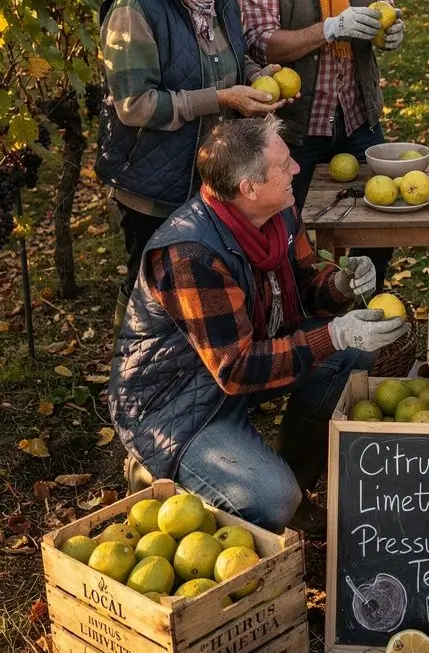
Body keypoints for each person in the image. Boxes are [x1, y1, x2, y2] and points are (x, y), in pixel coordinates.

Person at [109, 117, 406, 535]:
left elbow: (305, 287)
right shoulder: (191, 256)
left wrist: (339, 284)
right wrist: (335, 333)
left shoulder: (278, 214)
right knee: (272, 499)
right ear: (249, 188)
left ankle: (295, 484)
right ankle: (158, 469)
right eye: (284, 165)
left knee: (352, 353)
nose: (297, 168)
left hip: (232, 369)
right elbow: (237, 368)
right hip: (176, 403)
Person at [96, 0, 289, 329]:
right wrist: (220, 98)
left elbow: (229, 59)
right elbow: (134, 105)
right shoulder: (134, 5)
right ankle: (135, 364)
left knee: (209, 287)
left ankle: (214, 365)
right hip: (156, 182)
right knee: (152, 293)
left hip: (211, 172)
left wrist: (256, 76)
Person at [237, 0, 403, 288]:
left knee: (378, 225)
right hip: (295, 125)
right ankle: (305, 314)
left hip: (358, 115)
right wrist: (328, 29)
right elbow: (260, 45)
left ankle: (368, 304)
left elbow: (385, 12)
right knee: (290, 236)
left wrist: (390, 34)